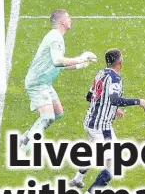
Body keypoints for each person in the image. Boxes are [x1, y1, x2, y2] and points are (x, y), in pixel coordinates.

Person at [69, 49, 145, 194]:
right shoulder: (115, 78)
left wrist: (112, 108)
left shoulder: (100, 73)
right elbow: (114, 99)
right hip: (101, 126)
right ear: (119, 62)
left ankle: (77, 179)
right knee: (114, 163)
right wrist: (138, 101)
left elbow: (90, 96)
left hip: (90, 122)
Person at [20, 9, 96, 153]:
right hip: (37, 83)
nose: (70, 19)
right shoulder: (55, 38)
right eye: (68, 17)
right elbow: (57, 61)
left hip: (45, 82)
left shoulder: (57, 37)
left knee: (57, 113)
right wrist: (80, 57)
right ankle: (22, 148)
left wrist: (81, 64)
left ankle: (25, 136)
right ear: (62, 21)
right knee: (47, 116)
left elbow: (59, 66)